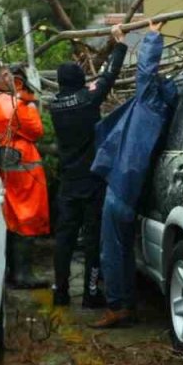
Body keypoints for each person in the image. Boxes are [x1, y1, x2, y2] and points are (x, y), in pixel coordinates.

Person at [89, 21, 176, 329]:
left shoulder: (151, 106)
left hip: (122, 185)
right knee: (123, 249)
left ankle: (118, 307)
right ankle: (126, 304)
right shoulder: (159, 112)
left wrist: (152, 36)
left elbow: (146, 72)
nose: (156, 81)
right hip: (129, 186)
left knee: (112, 249)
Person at [46, 24, 128, 308]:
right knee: (93, 239)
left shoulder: (54, 105)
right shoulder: (88, 99)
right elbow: (109, 76)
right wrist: (119, 44)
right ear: (80, 79)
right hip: (92, 181)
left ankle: (60, 292)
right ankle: (91, 294)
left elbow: (93, 84)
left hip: (68, 183)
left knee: (64, 238)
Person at [0, 62, 50, 289]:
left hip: (1, 165)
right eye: (5, 75)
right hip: (22, 168)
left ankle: (11, 271)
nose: (9, 77)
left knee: (10, 218)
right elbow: (36, 130)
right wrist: (30, 103)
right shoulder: (12, 104)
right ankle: (23, 274)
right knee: (26, 218)